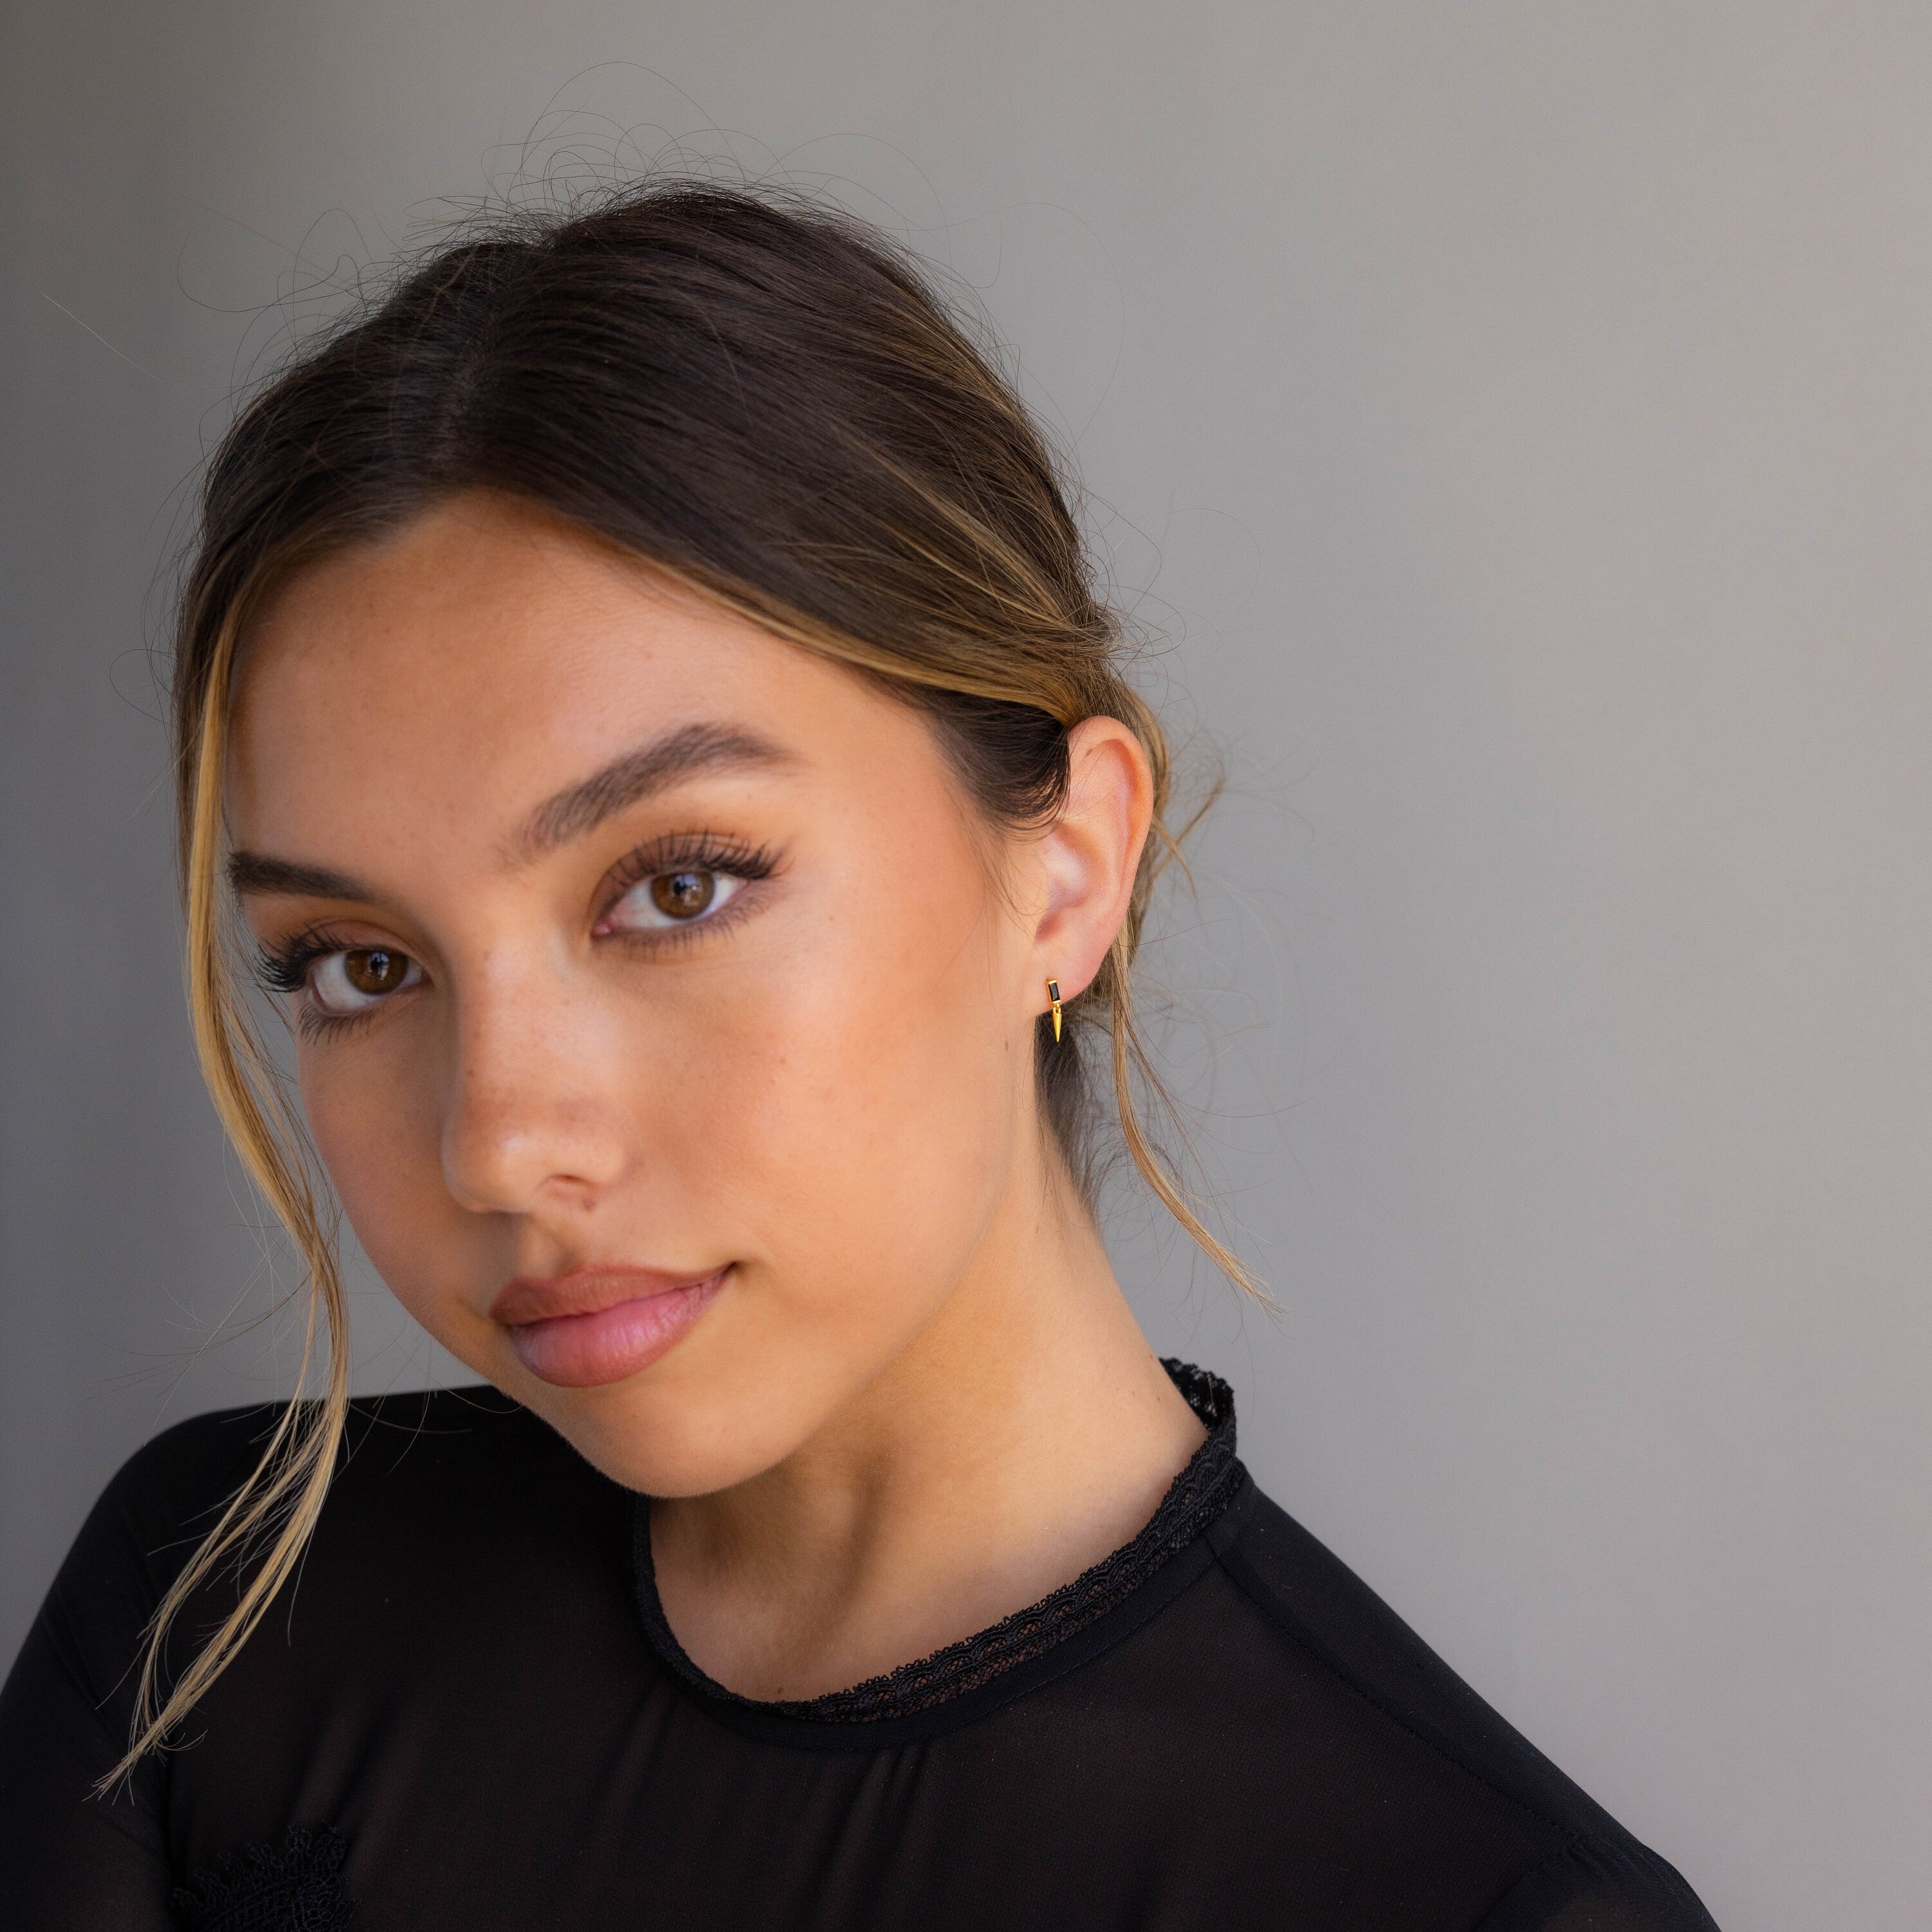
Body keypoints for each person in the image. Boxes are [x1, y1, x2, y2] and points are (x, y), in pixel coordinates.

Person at [0, 181, 1718, 1931]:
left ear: (1062, 877)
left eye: (677, 886)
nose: (499, 1142)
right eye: (360, 964)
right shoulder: (215, 1621)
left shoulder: (1469, 1905)